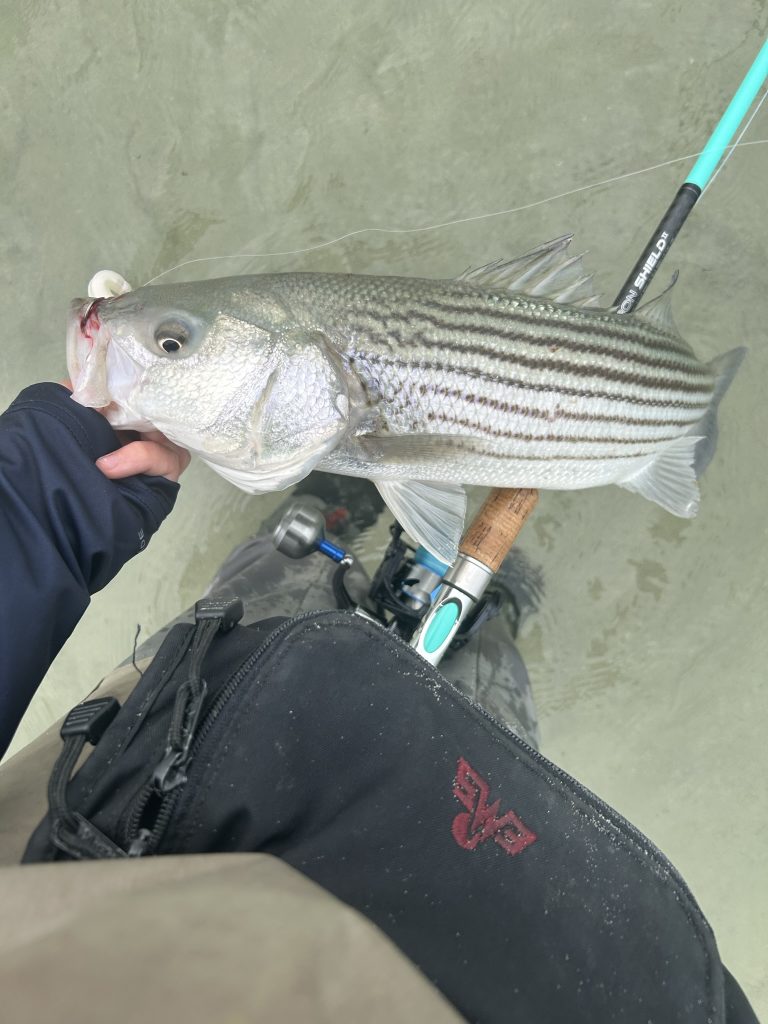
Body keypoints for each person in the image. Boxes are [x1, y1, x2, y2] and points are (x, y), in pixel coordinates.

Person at [0, 381, 759, 1023]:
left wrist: (56, 489)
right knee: (481, 729)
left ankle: (316, 542)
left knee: (235, 627)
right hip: (535, 960)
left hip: (102, 830)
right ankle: (475, 624)